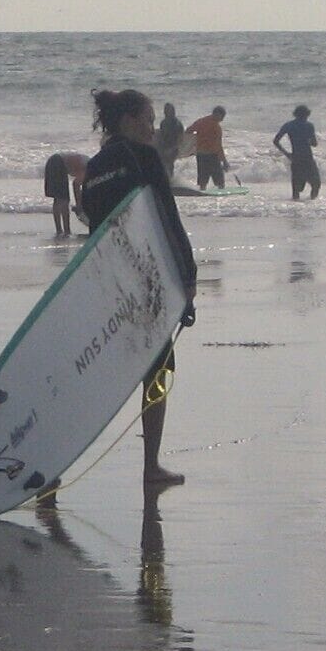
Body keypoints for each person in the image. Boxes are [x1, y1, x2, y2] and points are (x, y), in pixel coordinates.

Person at [78, 88, 197, 489]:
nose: (152, 127)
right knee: (159, 368)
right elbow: (166, 217)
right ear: (128, 121)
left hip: (103, 281)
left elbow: (93, 226)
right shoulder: (143, 157)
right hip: (144, 282)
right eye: (147, 118)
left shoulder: (94, 168)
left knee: (94, 371)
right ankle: (151, 465)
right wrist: (189, 278)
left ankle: (51, 470)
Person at [273, 105, 320, 200]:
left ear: (295, 114)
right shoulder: (309, 125)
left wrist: (287, 154)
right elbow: (314, 143)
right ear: (307, 114)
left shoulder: (289, 125)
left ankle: (295, 208)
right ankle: (311, 203)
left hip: (296, 158)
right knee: (316, 184)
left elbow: (276, 141)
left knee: (297, 189)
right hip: (307, 158)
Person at [42, 150, 86, 238]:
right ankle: (67, 231)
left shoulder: (88, 162)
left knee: (57, 199)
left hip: (52, 160)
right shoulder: (89, 166)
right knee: (64, 200)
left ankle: (59, 230)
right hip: (59, 162)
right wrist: (79, 205)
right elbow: (76, 184)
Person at [186, 105, 228, 190]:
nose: (222, 119)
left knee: (202, 181)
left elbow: (188, 131)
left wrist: (190, 146)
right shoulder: (216, 127)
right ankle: (220, 195)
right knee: (220, 182)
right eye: (222, 116)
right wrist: (225, 162)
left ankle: (202, 194)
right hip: (212, 155)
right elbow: (219, 146)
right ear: (217, 114)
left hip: (201, 155)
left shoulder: (201, 121)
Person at [156, 103, 185, 181]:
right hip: (163, 147)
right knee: (162, 165)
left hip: (173, 147)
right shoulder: (163, 122)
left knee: (170, 165)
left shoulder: (177, 123)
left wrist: (173, 148)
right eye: (166, 110)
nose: (167, 112)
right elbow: (161, 135)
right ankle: (165, 180)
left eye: (169, 110)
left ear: (173, 111)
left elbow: (180, 138)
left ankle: (171, 180)